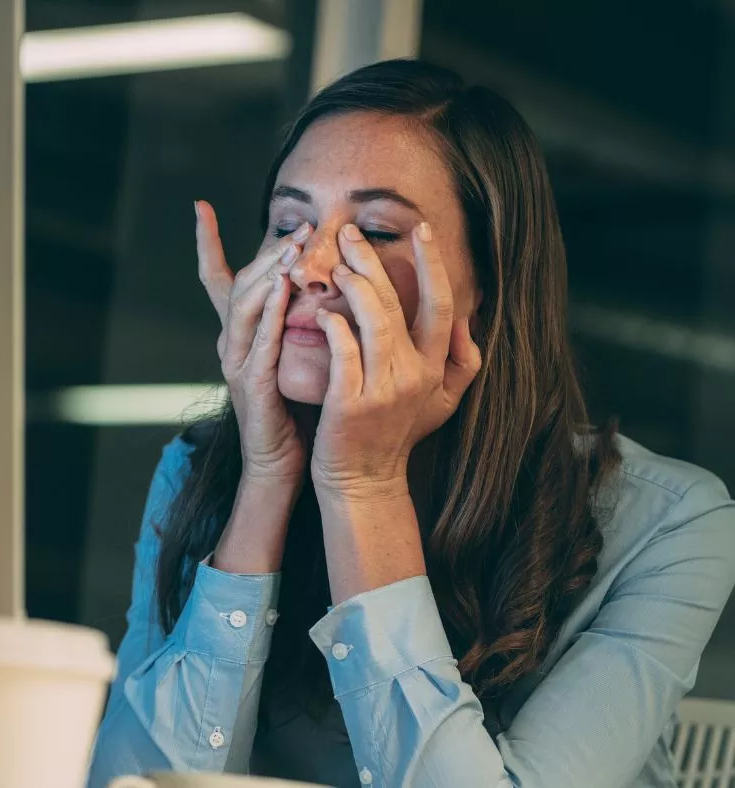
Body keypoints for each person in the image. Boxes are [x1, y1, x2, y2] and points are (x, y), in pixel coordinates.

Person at [87, 59, 735, 788]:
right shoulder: (196, 471)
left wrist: (362, 488)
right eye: (288, 224)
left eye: (373, 232)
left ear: (484, 284)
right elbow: (130, 783)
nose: (308, 267)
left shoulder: (670, 523)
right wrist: (267, 480)